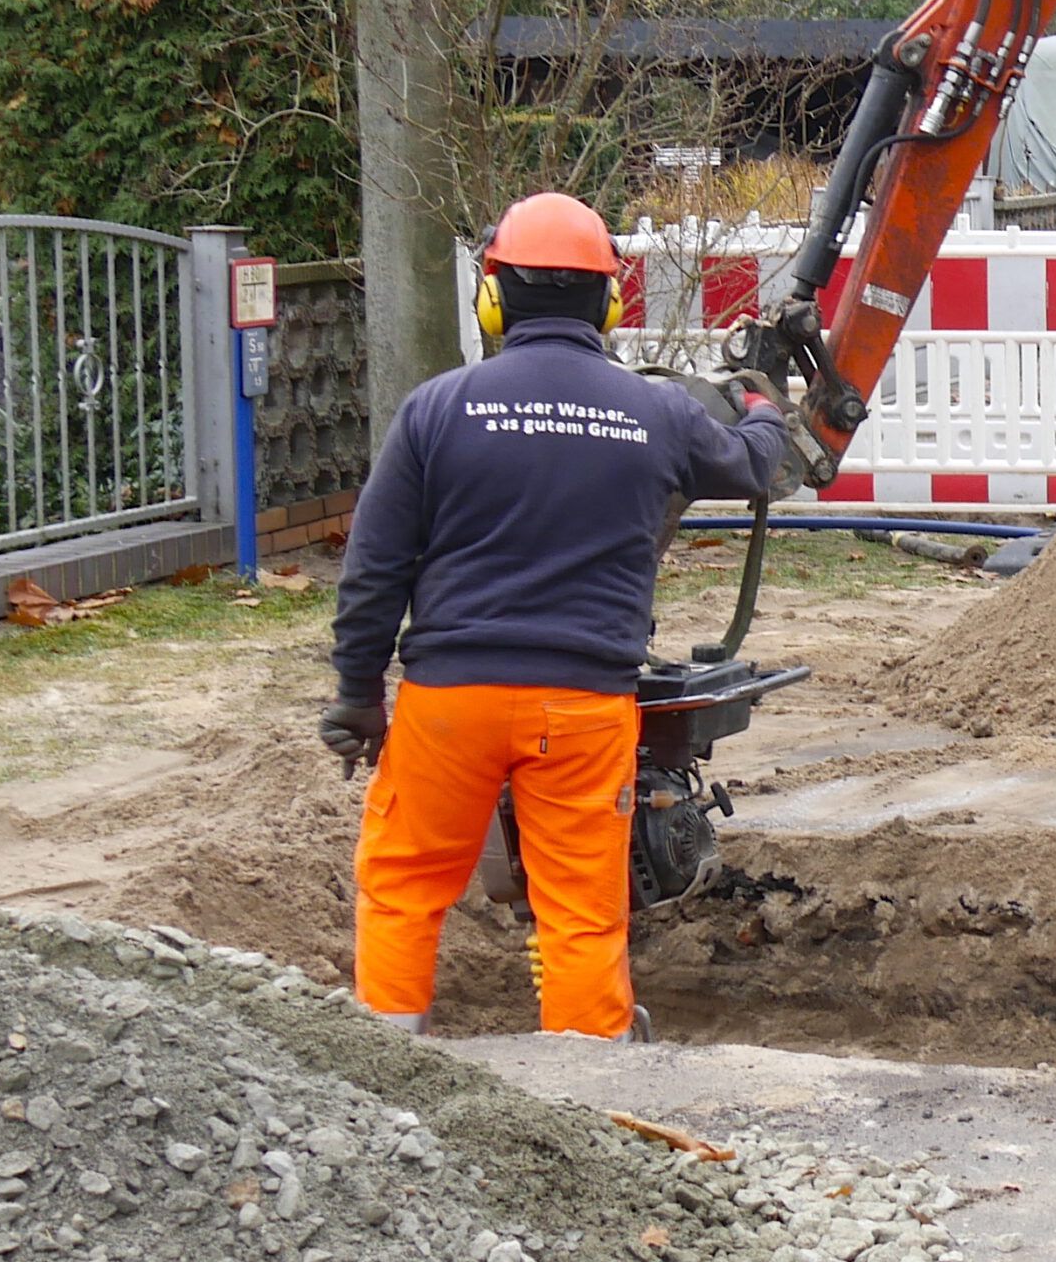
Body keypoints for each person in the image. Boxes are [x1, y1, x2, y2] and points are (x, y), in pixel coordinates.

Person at [319, 192, 789, 1038]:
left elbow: (375, 568)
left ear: (491, 297)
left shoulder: (436, 409)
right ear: (609, 303)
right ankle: (589, 1097)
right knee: (580, 910)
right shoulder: (658, 411)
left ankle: (383, 1078)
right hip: (580, 710)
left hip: (448, 703)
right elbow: (756, 469)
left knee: (403, 887)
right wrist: (761, 408)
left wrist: (358, 691)